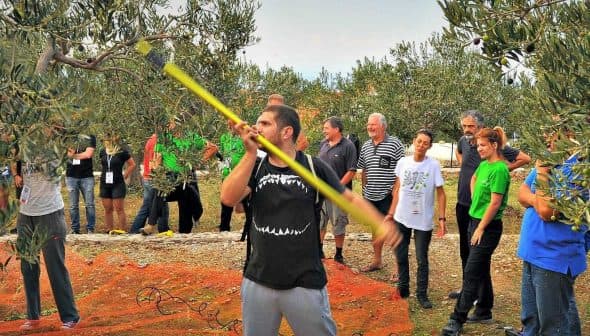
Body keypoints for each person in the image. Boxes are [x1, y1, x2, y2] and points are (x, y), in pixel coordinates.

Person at [220, 104, 399, 335]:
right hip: (258, 280)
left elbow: (349, 199)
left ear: (287, 132)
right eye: (258, 123)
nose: (257, 127)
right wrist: (250, 153)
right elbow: (227, 197)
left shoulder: (314, 168)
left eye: (265, 123)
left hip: (304, 283)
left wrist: (380, 223)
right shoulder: (255, 167)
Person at [450, 110, 530, 299]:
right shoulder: (464, 141)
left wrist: (502, 169)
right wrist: (465, 167)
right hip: (464, 204)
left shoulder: (491, 145)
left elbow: (525, 159)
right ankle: (467, 288)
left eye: (471, 126)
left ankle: (479, 295)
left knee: (478, 255)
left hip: (483, 210)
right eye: (464, 126)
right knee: (465, 249)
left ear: (480, 127)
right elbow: (459, 152)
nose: (467, 130)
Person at [516, 133, 589, 336]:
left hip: (554, 258)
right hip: (532, 251)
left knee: (554, 327)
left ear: (570, 132)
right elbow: (521, 194)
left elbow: (547, 212)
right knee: (531, 320)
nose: (545, 135)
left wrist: (541, 173)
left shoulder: (580, 169)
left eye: (551, 130)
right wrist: (537, 200)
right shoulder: (553, 158)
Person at [441, 127, 511, 336]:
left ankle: (456, 320)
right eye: (477, 145)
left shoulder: (500, 169)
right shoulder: (483, 166)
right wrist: (474, 200)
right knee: (480, 268)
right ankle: (484, 310)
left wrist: (480, 227)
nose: (478, 149)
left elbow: (496, 202)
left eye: (482, 146)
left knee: (471, 272)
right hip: (475, 221)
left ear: (494, 145)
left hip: (487, 227)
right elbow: (473, 178)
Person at [17, 158, 80, 330]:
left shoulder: (54, 148)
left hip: (50, 212)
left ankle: (70, 316)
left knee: (55, 267)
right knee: (28, 267)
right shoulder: (21, 146)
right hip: (25, 212)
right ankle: (33, 316)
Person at [386, 129, 446, 309]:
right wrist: (390, 213)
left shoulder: (433, 166)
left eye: (425, 143)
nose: (421, 145)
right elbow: (396, 190)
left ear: (429, 146)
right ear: (414, 141)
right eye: (419, 141)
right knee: (401, 255)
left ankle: (422, 294)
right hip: (401, 217)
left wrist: (441, 218)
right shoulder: (403, 162)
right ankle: (402, 289)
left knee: (422, 258)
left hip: (423, 220)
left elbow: (441, 194)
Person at [140, 119, 217, 235]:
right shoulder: (164, 139)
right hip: (169, 177)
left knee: (188, 203)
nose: (170, 125)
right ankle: (151, 225)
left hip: (185, 177)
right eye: (169, 123)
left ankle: (185, 232)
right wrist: (156, 168)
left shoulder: (191, 137)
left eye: (172, 122)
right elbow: (157, 159)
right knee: (161, 190)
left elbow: (213, 148)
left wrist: (199, 162)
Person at [357, 113, 405, 272]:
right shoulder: (365, 146)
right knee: (375, 228)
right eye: (368, 124)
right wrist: (364, 190)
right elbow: (364, 170)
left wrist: (395, 190)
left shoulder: (395, 144)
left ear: (383, 126)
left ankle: (399, 268)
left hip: (388, 196)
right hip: (370, 195)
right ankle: (377, 261)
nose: (370, 127)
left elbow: (402, 171)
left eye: (373, 124)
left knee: (392, 229)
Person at [317, 116, 357, 263]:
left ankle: (338, 254)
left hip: (339, 194)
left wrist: (337, 186)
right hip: (321, 192)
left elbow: (351, 170)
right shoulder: (323, 144)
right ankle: (319, 251)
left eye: (326, 128)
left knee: (338, 222)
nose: (324, 131)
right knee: (320, 221)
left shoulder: (348, 146)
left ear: (336, 129)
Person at [129, 133, 169, 234]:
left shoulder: (151, 139)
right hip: (154, 178)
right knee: (161, 205)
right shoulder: (159, 141)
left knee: (147, 205)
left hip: (147, 177)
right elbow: (155, 162)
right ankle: (163, 230)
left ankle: (135, 230)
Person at [216, 121, 250, 232]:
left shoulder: (245, 137)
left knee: (246, 202)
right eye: (229, 125)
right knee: (226, 203)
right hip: (227, 175)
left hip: (242, 175)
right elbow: (222, 155)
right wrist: (222, 167)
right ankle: (224, 229)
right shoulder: (224, 138)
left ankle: (249, 226)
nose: (230, 127)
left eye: (233, 125)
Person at [99, 134, 136, 233]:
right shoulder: (102, 152)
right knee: (108, 208)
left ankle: (122, 230)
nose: (105, 141)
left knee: (119, 208)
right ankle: (109, 229)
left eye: (107, 139)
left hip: (117, 183)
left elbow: (132, 164)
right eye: (104, 140)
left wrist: (125, 174)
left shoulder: (121, 151)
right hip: (104, 183)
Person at [65, 134, 96, 234]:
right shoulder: (69, 137)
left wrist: (73, 155)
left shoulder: (90, 137)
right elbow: (66, 153)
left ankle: (90, 228)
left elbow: (88, 154)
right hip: (71, 176)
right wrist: (73, 154)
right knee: (73, 205)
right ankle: (75, 228)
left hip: (87, 176)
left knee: (89, 204)